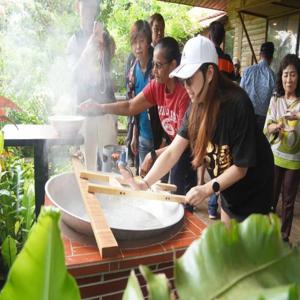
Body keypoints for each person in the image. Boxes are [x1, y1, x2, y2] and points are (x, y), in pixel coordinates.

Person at [122, 35, 273, 225]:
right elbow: (172, 152)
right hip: (228, 189)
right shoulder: (195, 107)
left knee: (248, 250)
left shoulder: (237, 104)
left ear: (209, 73)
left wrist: (206, 189)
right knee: (230, 244)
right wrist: (144, 184)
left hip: (255, 190)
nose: (186, 88)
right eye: (183, 81)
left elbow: (241, 168)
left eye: (190, 80)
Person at [80, 37, 197, 196]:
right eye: (153, 64)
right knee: (162, 189)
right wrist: (99, 107)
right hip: (172, 149)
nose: (154, 70)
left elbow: (181, 145)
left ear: (173, 65)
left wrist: (153, 154)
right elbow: (130, 106)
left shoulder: (185, 94)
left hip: (189, 154)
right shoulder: (157, 86)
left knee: (180, 198)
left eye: (159, 65)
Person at [67, 0, 117, 171]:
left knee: (109, 166)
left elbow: (108, 69)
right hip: (84, 113)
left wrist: (104, 46)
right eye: (85, 5)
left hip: (106, 111)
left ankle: (109, 198)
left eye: (93, 5)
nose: (89, 10)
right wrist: (88, 49)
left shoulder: (106, 36)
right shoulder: (74, 40)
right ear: (77, 7)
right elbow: (72, 75)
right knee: (86, 170)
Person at [264, 54, 300, 242]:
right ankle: (268, 235)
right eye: (286, 74)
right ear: (281, 77)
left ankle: (284, 237)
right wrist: (277, 126)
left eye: (293, 74)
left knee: (288, 202)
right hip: (275, 157)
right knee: (271, 198)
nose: (289, 79)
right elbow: (266, 127)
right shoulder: (275, 100)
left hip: (294, 161)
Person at [124, 20, 164, 172]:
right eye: (135, 42)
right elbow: (134, 105)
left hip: (159, 138)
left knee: (160, 183)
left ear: (148, 41)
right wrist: (134, 135)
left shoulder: (157, 68)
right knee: (143, 181)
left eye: (141, 41)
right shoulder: (133, 71)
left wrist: (165, 140)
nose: (138, 47)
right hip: (142, 137)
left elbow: (165, 102)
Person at [207, 21, 235, 219]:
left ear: (210, 36)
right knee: (221, 160)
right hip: (226, 114)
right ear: (223, 38)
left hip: (214, 114)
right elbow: (233, 82)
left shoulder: (209, 57)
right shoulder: (227, 59)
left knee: (214, 160)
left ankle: (211, 206)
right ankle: (216, 203)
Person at [240, 42, 276, 131]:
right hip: (263, 118)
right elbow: (274, 100)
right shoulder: (273, 76)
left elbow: (240, 92)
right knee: (258, 142)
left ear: (260, 55)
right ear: (271, 58)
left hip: (246, 113)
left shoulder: (248, 71)